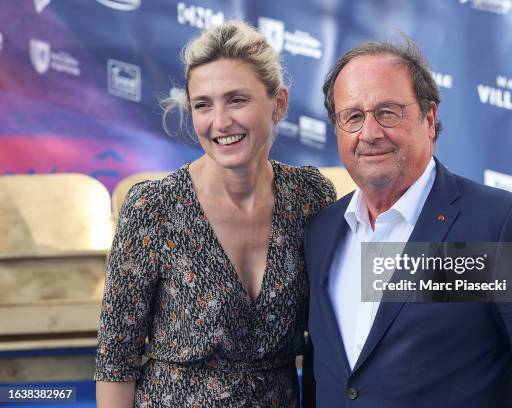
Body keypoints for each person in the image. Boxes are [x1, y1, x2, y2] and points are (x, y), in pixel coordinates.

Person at [302, 39, 512, 407]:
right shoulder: (321, 232)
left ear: (429, 119)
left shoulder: (499, 227)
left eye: (388, 112)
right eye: (352, 116)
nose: (369, 133)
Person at [94, 21, 336, 407]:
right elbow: (116, 362)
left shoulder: (310, 197)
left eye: (237, 100)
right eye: (202, 104)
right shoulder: (153, 208)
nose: (220, 122)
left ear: (280, 103)